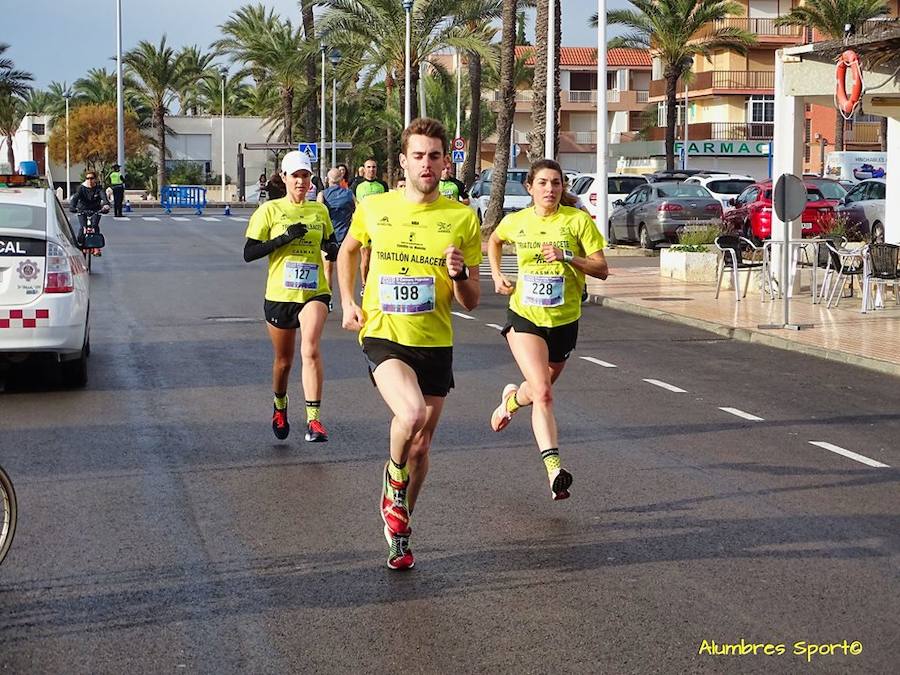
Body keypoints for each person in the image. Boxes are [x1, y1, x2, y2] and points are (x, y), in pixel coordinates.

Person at [337, 117, 481, 570]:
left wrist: (458, 275)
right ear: (403, 161)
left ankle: (400, 526)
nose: (426, 164)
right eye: (418, 156)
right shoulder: (376, 207)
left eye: (434, 156)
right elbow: (347, 251)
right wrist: (347, 302)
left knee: (422, 446)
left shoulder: (461, 218)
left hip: (435, 340)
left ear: (445, 162)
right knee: (411, 414)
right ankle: (392, 485)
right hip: (384, 333)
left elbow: (472, 301)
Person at [487, 158, 608, 501]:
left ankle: (510, 401)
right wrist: (497, 276)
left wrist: (567, 257)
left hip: (564, 321)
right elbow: (494, 240)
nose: (550, 189)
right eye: (542, 183)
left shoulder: (578, 221)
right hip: (525, 317)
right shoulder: (517, 222)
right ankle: (555, 469)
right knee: (543, 393)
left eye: (556, 183)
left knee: (536, 391)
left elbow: (601, 269)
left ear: (563, 187)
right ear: (530, 187)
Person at [243, 151, 339, 443]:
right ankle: (280, 405)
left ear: (311, 180)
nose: (300, 181)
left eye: (305, 176)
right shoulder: (269, 211)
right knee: (283, 362)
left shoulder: (319, 212)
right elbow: (250, 253)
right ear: (284, 178)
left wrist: (334, 249)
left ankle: (314, 421)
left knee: (309, 349)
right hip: (280, 295)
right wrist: (284, 238)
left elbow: (330, 242)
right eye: (295, 176)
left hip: (314, 292)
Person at [348, 159, 389, 295]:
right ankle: (365, 284)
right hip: (365, 225)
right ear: (364, 169)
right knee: (365, 256)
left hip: (381, 225)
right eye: (369, 167)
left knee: (378, 255)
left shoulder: (382, 185)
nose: (372, 170)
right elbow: (353, 203)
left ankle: (376, 282)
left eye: (374, 167)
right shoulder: (357, 185)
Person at [317, 167, 355, 302]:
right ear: (341, 180)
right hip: (345, 238)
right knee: (346, 273)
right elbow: (357, 213)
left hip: (328, 238)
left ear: (327, 180)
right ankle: (348, 300)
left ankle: (329, 300)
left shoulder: (322, 195)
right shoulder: (349, 194)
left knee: (328, 271)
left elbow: (318, 216)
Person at [69, 171, 110, 256]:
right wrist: (72, 207)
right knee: (82, 227)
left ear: (95, 179)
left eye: (92, 178)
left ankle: (96, 247)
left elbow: (104, 197)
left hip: (95, 210)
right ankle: (81, 246)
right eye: (87, 178)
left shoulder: (98, 189)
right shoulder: (82, 188)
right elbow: (75, 198)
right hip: (82, 209)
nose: (90, 180)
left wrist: (106, 205)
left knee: (95, 226)